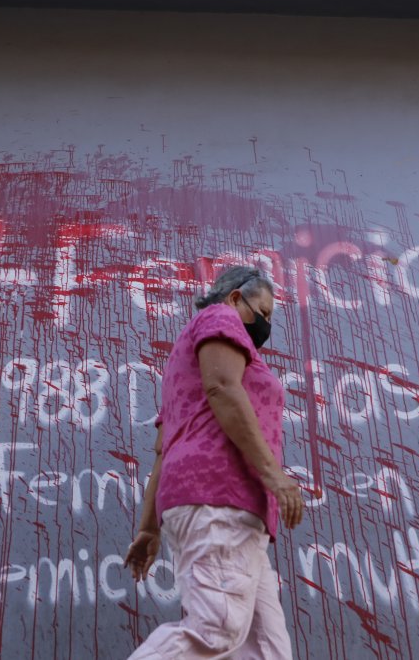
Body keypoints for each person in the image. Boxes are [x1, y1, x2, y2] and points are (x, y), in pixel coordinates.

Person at [124, 265, 306, 659]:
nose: (266, 323)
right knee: (215, 628)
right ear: (236, 297)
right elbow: (222, 387)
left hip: (234, 513)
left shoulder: (181, 369)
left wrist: (150, 529)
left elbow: (164, 449)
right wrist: (274, 476)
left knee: (265, 650)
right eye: (263, 310)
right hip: (218, 498)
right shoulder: (220, 317)